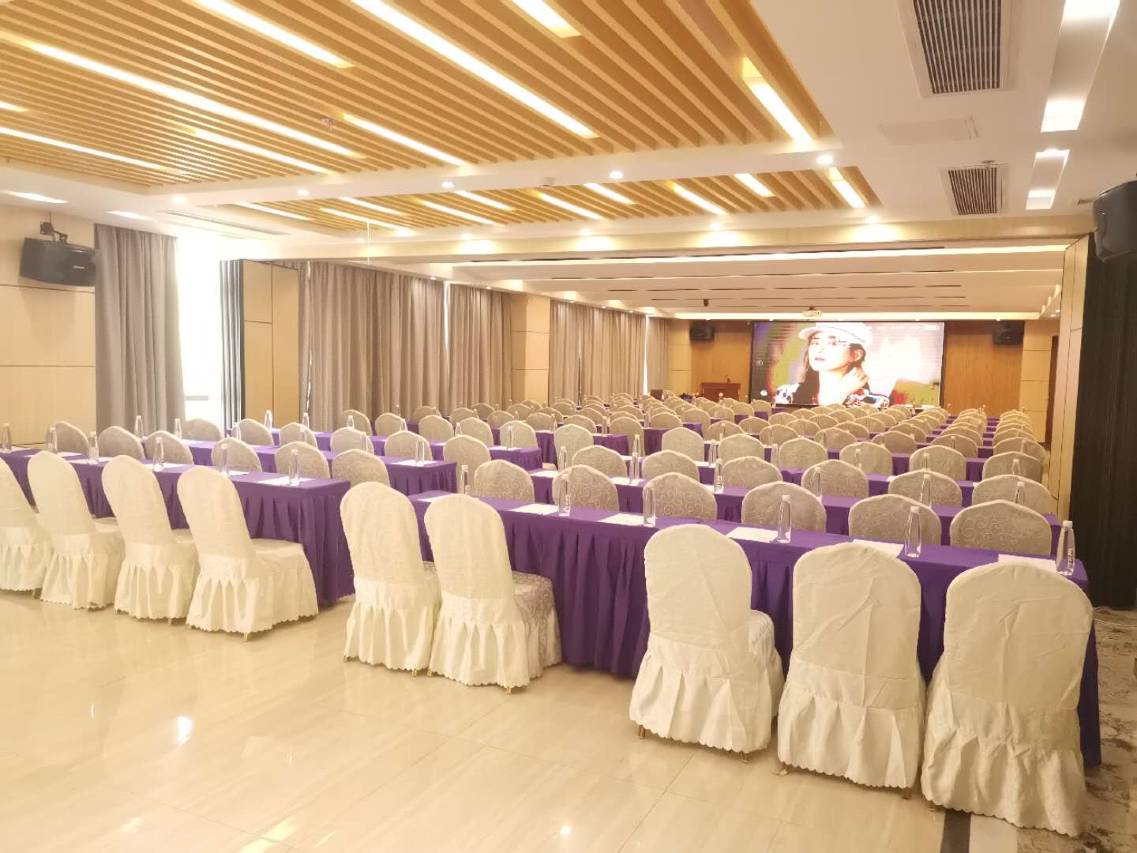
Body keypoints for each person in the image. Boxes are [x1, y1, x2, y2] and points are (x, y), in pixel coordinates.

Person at [775, 322, 892, 407]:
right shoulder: (788, 394)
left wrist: (841, 392)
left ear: (856, 355)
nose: (820, 349)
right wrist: (840, 393)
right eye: (815, 342)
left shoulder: (874, 403)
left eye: (833, 343)